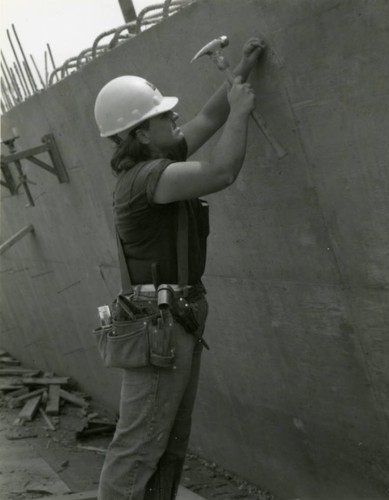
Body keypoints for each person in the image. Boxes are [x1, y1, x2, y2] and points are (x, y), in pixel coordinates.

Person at [94, 36, 265, 500]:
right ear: (142, 134)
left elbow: (211, 117)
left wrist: (243, 69)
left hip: (174, 321)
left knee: (167, 441)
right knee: (139, 446)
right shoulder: (149, 179)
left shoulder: (156, 162)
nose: (175, 116)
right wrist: (244, 112)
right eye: (164, 115)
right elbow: (222, 172)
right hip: (160, 327)